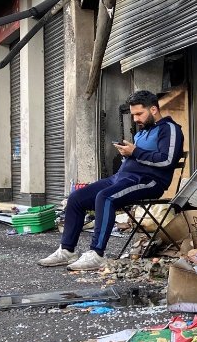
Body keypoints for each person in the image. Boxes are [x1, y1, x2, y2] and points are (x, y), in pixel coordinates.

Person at [38, 90, 184, 271]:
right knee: (76, 197)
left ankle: (96, 254)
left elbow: (167, 160)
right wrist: (127, 154)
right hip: (122, 178)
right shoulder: (141, 133)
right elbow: (139, 157)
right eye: (134, 115)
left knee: (105, 197)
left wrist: (135, 152)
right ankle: (67, 251)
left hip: (149, 181)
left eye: (140, 114)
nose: (136, 119)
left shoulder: (170, 129)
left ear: (153, 109)